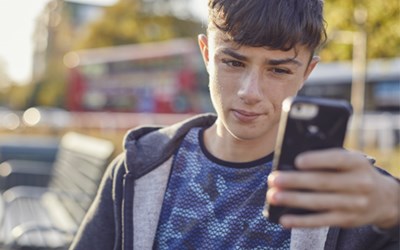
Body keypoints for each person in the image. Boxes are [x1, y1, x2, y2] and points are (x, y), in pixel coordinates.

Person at [70, 0, 400, 249]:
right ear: (206, 53)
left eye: (279, 70)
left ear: (307, 73)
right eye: (232, 62)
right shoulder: (138, 169)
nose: (249, 92)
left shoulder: (349, 193)